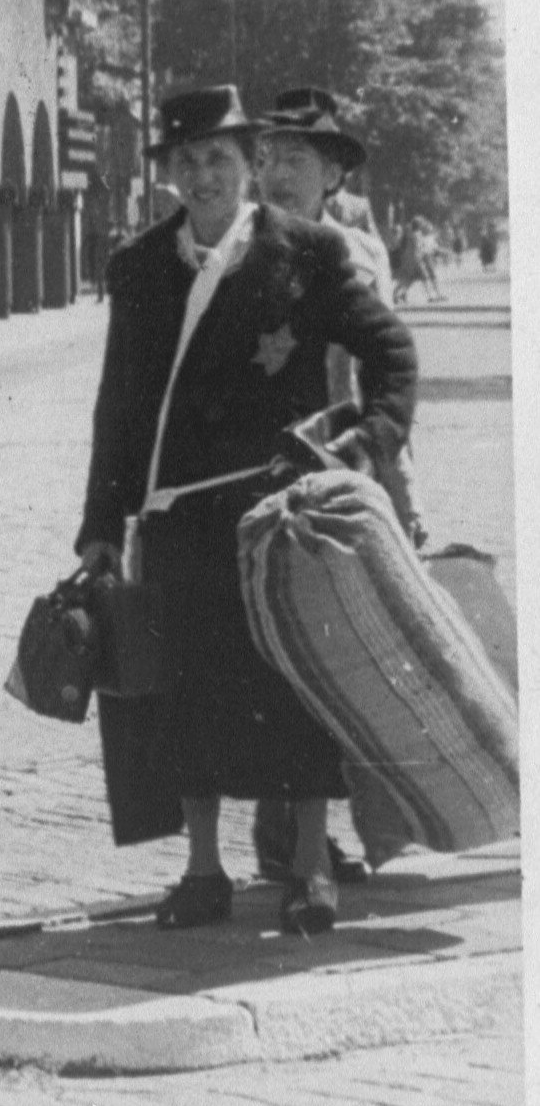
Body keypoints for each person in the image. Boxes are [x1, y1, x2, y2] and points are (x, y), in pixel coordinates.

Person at [75, 86, 416, 937]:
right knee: (182, 694)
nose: (203, 177)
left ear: (247, 164)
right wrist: (97, 526)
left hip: (279, 520)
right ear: (168, 174)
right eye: (185, 162)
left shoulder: (303, 253)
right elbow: (118, 406)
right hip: (178, 525)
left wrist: (365, 443)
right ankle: (201, 870)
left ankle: (308, 872)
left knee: (291, 691)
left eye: (218, 160)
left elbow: (391, 353)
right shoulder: (139, 266)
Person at [246, 85, 419, 886]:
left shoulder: (356, 253)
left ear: (329, 176)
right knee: (278, 652)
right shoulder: (246, 246)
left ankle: (313, 831)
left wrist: (392, 483)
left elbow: (383, 371)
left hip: (348, 468)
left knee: (344, 651)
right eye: (269, 157)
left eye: (296, 159)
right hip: (272, 469)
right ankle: (283, 832)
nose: (277, 171)